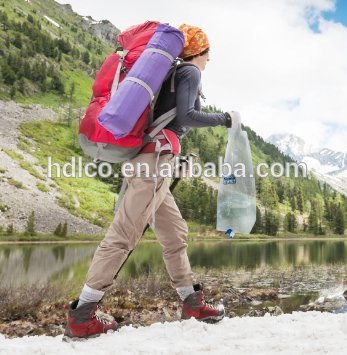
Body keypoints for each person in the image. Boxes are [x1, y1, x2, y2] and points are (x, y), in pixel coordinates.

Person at [64, 24, 235, 340]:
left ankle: (191, 303)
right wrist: (225, 119)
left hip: (157, 161)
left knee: (174, 233)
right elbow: (186, 117)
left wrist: (175, 163)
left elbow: (168, 120)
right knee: (123, 234)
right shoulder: (189, 73)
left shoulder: (170, 73)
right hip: (152, 164)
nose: (210, 60)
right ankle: (82, 315)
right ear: (202, 51)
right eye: (209, 53)